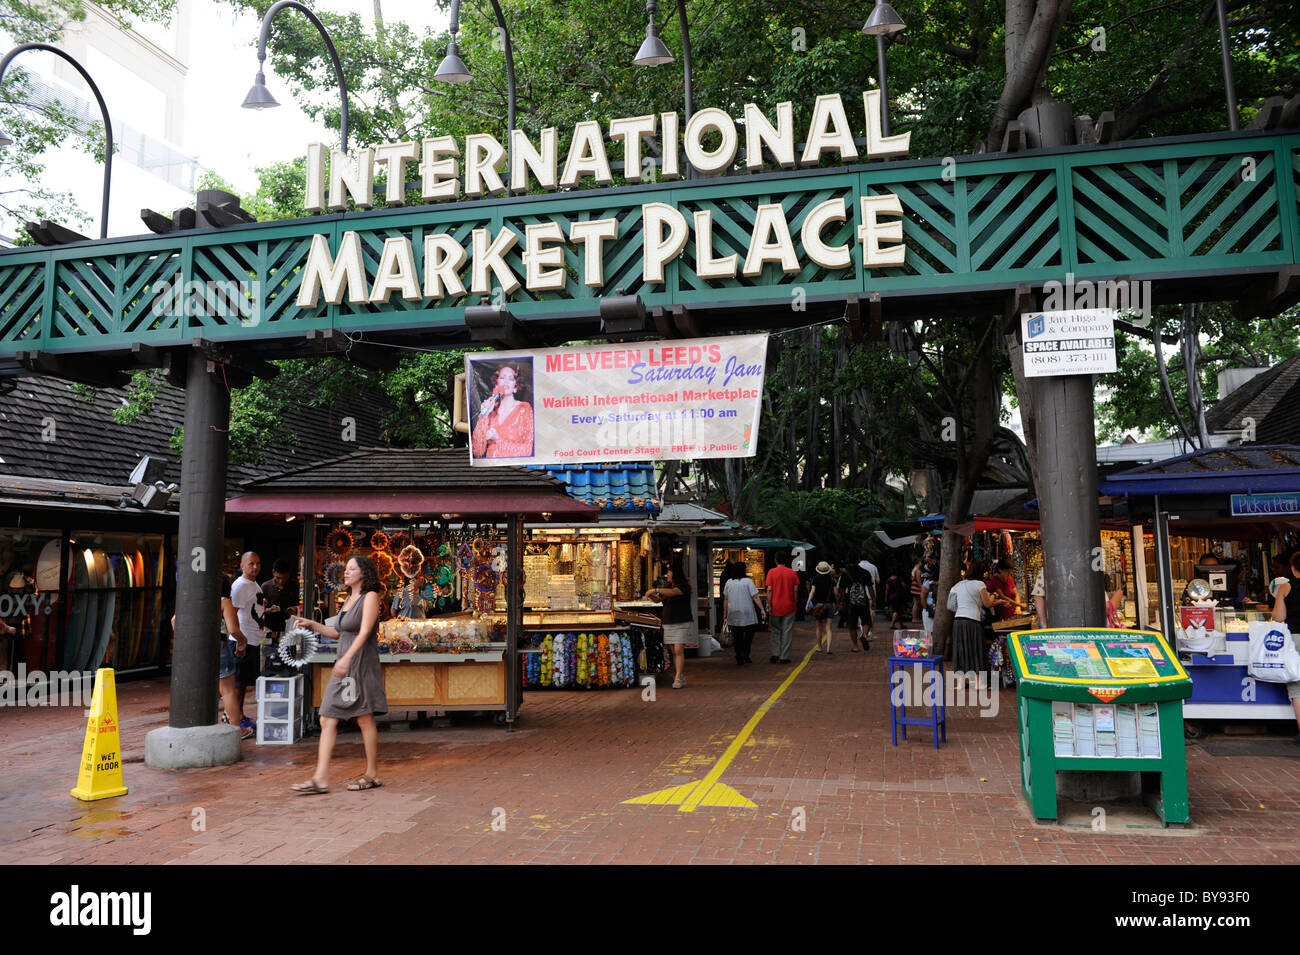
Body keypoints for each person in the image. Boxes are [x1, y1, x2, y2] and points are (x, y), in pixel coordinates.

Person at [290, 555, 388, 793]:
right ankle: (320, 778)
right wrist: (312, 624)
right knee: (327, 717)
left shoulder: (370, 597)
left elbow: (364, 633)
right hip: (344, 664)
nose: (346, 572)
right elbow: (337, 633)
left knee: (363, 717)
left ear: (364, 573)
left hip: (360, 663)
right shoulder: (348, 599)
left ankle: (372, 773)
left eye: (352, 569)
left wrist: (346, 659)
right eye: (346, 569)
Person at [230, 551, 267, 738]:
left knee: (243, 683)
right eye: (251, 564)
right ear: (242, 565)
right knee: (236, 684)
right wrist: (239, 641)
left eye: (258, 563)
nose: (255, 567)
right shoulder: (240, 585)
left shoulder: (253, 584)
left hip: (253, 638)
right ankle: (232, 719)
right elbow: (232, 614)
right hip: (242, 641)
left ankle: (240, 715)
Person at [1268, 551, 1300, 746]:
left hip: (1296, 640)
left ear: (1294, 568)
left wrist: (1280, 597)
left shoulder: (1287, 587)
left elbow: (1279, 617)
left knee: (1298, 688)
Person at [471, 363, 534, 458]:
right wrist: (484, 415)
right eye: (502, 378)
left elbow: (527, 450)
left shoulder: (524, 409)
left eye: (511, 379)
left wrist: (498, 439)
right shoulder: (491, 413)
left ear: (515, 386)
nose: (506, 382)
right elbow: (477, 451)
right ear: (496, 383)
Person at [949, 560, 997, 685]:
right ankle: (978, 683)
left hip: (958, 621)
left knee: (961, 650)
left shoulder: (957, 585)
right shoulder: (980, 584)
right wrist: (995, 598)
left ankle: (961, 682)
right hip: (972, 621)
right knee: (975, 650)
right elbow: (987, 604)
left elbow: (951, 606)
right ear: (981, 573)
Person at [647, 556, 692, 688]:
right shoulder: (667, 586)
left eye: (670, 573)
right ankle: (681, 675)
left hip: (681, 621)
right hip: (669, 621)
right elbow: (658, 600)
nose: (668, 575)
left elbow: (673, 593)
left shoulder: (683, 587)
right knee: (673, 650)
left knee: (678, 649)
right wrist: (650, 596)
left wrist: (655, 590)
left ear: (675, 574)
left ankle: (677, 678)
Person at [722, 561, 765, 665]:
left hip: (733, 612)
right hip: (747, 612)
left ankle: (738, 655)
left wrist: (725, 613)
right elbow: (755, 597)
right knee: (749, 634)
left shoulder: (729, 582)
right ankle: (746, 653)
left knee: (737, 635)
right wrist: (762, 609)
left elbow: (726, 599)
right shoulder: (748, 582)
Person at [765, 552, 799, 664]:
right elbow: (795, 590)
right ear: (786, 561)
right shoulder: (792, 573)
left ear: (775, 560)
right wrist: (795, 602)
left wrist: (769, 605)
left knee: (775, 630)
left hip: (775, 605)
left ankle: (775, 654)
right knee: (787, 631)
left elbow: (769, 590)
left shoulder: (771, 572)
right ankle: (784, 656)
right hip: (789, 606)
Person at [261, 558, 299, 639]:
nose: (281, 581)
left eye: (284, 577)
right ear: (273, 572)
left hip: (290, 628)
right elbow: (259, 610)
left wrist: (296, 609)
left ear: (289, 574)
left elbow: (302, 605)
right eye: (278, 578)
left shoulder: (296, 585)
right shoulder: (265, 586)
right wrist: (269, 609)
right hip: (269, 628)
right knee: (268, 650)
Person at [808, 561, 838, 653]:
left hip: (818, 605)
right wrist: (837, 603)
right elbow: (836, 593)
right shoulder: (832, 580)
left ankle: (820, 647)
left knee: (819, 627)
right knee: (828, 627)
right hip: (829, 604)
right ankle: (828, 648)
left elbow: (812, 592)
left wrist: (808, 602)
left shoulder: (815, 579)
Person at [843, 562, 872, 651]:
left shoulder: (845, 573)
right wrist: (873, 600)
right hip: (863, 601)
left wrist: (841, 601)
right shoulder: (865, 572)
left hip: (850, 603)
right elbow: (870, 588)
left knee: (852, 625)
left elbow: (840, 589)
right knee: (867, 621)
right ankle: (864, 636)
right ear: (858, 560)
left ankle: (855, 646)